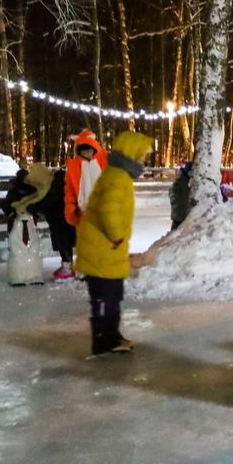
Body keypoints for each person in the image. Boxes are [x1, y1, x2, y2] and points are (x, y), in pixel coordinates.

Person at [75, 131, 153, 357]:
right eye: (142, 155)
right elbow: (108, 210)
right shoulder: (117, 178)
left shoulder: (119, 175)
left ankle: (112, 335)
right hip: (102, 250)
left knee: (112, 297)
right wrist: (117, 236)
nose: (144, 160)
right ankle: (103, 340)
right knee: (104, 299)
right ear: (132, 154)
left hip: (107, 251)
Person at [2, 165, 53, 286]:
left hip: (30, 222)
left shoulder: (34, 190)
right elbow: (7, 204)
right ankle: (18, 276)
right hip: (18, 222)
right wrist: (11, 211)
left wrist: (35, 210)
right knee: (18, 249)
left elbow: (38, 203)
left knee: (33, 249)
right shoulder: (14, 191)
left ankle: (34, 274)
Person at [64, 129, 107, 229]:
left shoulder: (105, 160)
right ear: (79, 151)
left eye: (89, 149)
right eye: (84, 150)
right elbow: (69, 189)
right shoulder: (73, 167)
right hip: (84, 213)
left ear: (94, 148)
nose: (87, 152)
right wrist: (70, 206)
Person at [169, 161, 192, 230]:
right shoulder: (181, 182)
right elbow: (172, 193)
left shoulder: (183, 182)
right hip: (180, 215)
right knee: (176, 232)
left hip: (180, 214)